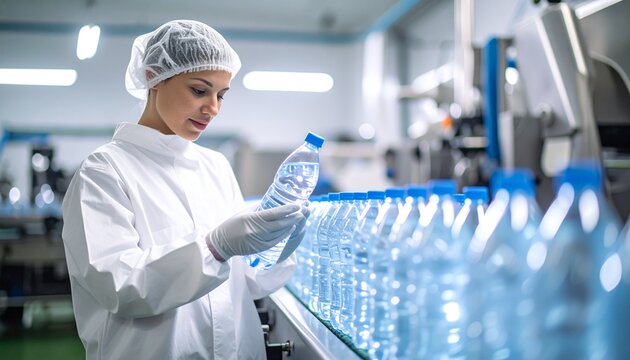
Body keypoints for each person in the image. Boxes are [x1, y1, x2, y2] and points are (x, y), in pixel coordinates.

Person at [62, 19, 309, 359]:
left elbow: (246, 283)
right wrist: (216, 247)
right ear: (153, 77)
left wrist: (274, 249)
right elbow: (119, 287)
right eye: (199, 90)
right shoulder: (105, 171)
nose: (213, 108)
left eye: (221, 95)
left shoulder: (215, 166)